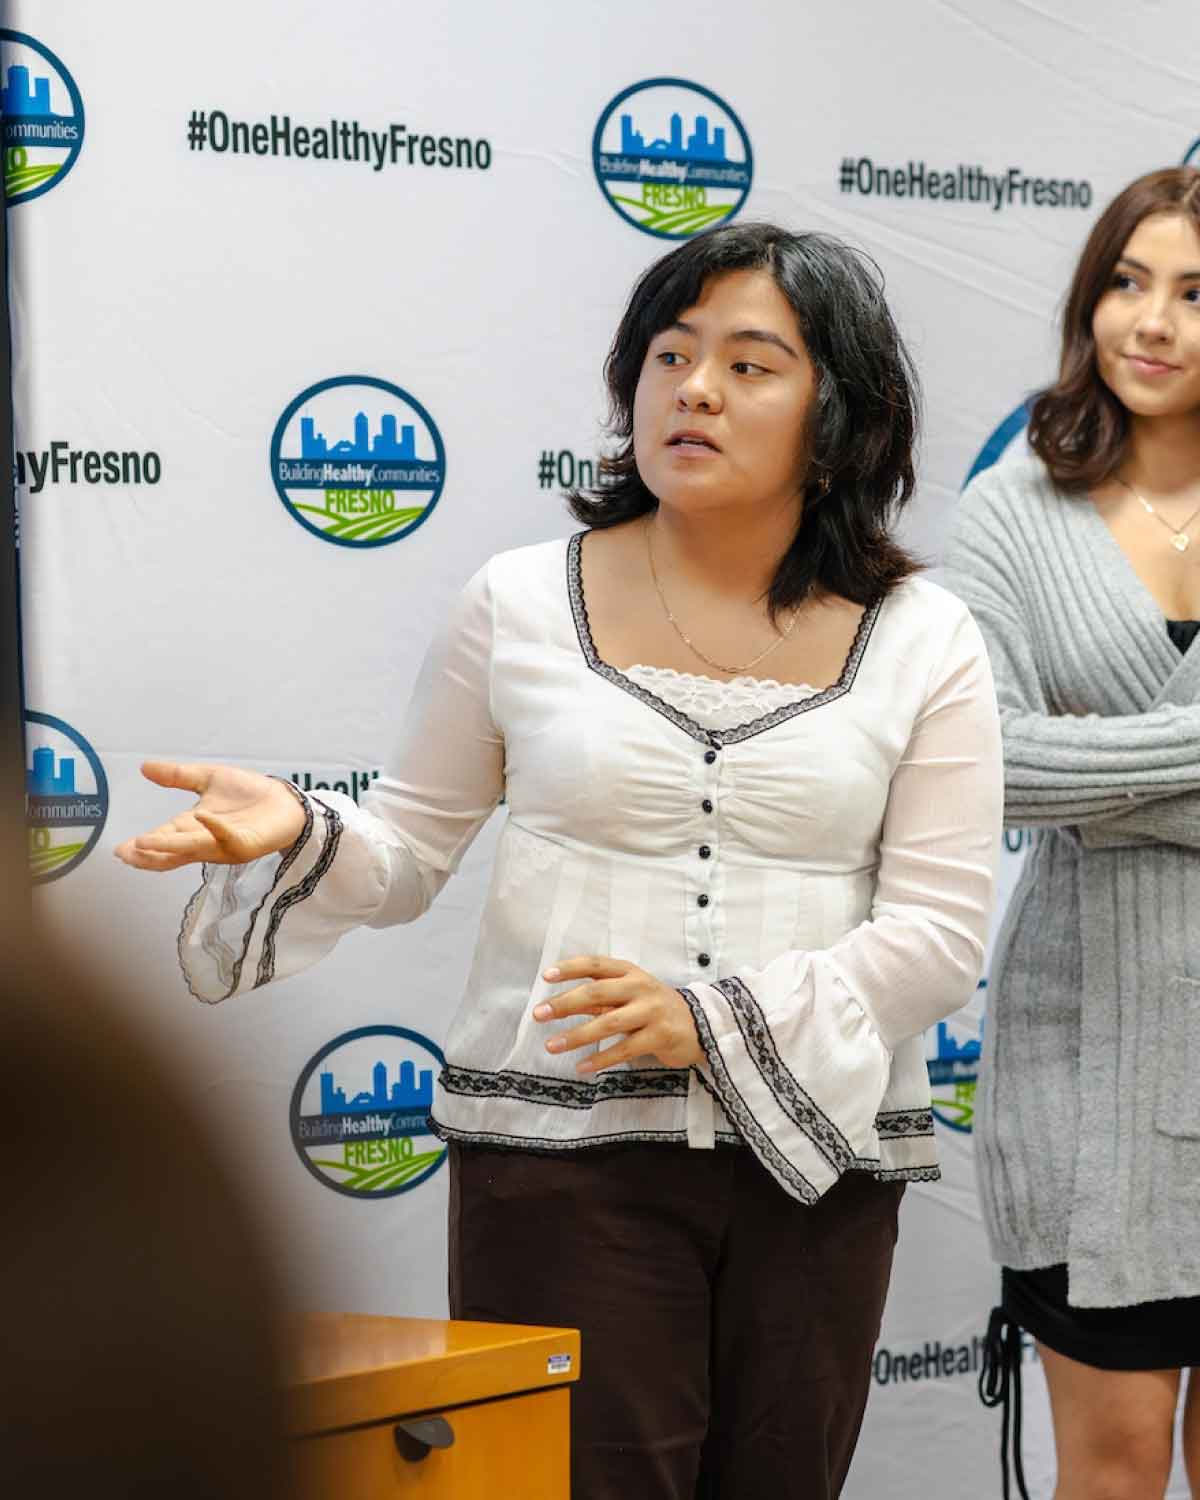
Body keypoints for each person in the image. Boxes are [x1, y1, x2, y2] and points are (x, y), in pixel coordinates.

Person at [116, 221, 1002, 1500]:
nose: (693, 388)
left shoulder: (929, 638)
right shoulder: (517, 600)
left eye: (751, 365)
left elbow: (935, 936)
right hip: (558, 1161)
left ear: (840, 416)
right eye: (668, 354)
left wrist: (710, 1022)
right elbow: (408, 853)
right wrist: (304, 828)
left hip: (819, 1166)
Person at [943, 166, 1200, 1500]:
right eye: (1125, 281)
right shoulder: (1011, 505)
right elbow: (987, 767)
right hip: (1085, 1073)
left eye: (1195, 293)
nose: (1150, 321)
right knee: (1109, 1478)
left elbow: (1058, 764)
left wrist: (1099, 767)